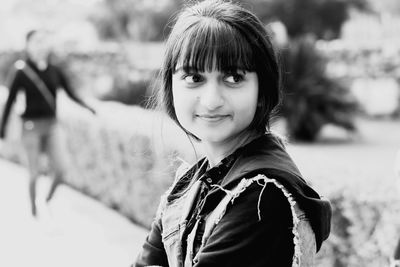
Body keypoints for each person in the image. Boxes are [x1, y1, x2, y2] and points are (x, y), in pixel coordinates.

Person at [134, 1, 331, 266]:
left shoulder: (262, 196)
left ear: (262, 89)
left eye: (234, 78)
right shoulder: (192, 182)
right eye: (194, 78)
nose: (212, 100)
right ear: (170, 85)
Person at [0, 29, 95, 218]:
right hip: (30, 127)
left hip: (52, 125)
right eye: (36, 41)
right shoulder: (20, 71)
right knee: (34, 174)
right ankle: (34, 212)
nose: (41, 45)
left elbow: (70, 93)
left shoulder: (54, 70)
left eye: (43, 41)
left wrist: (88, 108)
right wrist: (1, 130)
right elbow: (9, 101)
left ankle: (46, 201)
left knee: (61, 170)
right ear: (27, 46)